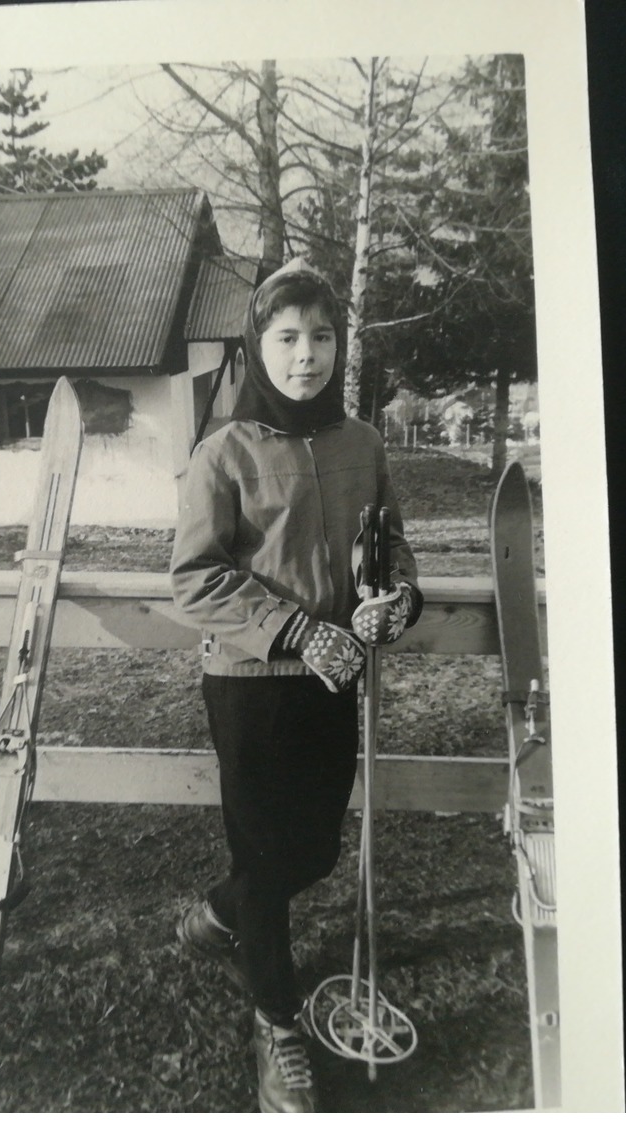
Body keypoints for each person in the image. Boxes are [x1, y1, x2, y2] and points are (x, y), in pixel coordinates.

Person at [169, 258, 422, 1112]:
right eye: (286, 338)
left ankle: (217, 915)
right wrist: (296, 627)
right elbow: (195, 578)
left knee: (310, 852)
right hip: (250, 687)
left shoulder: (363, 445)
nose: (305, 355)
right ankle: (277, 1027)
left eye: (320, 337)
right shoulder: (223, 452)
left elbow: (390, 547)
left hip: (334, 681)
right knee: (271, 864)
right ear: (258, 346)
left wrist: (397, 600)